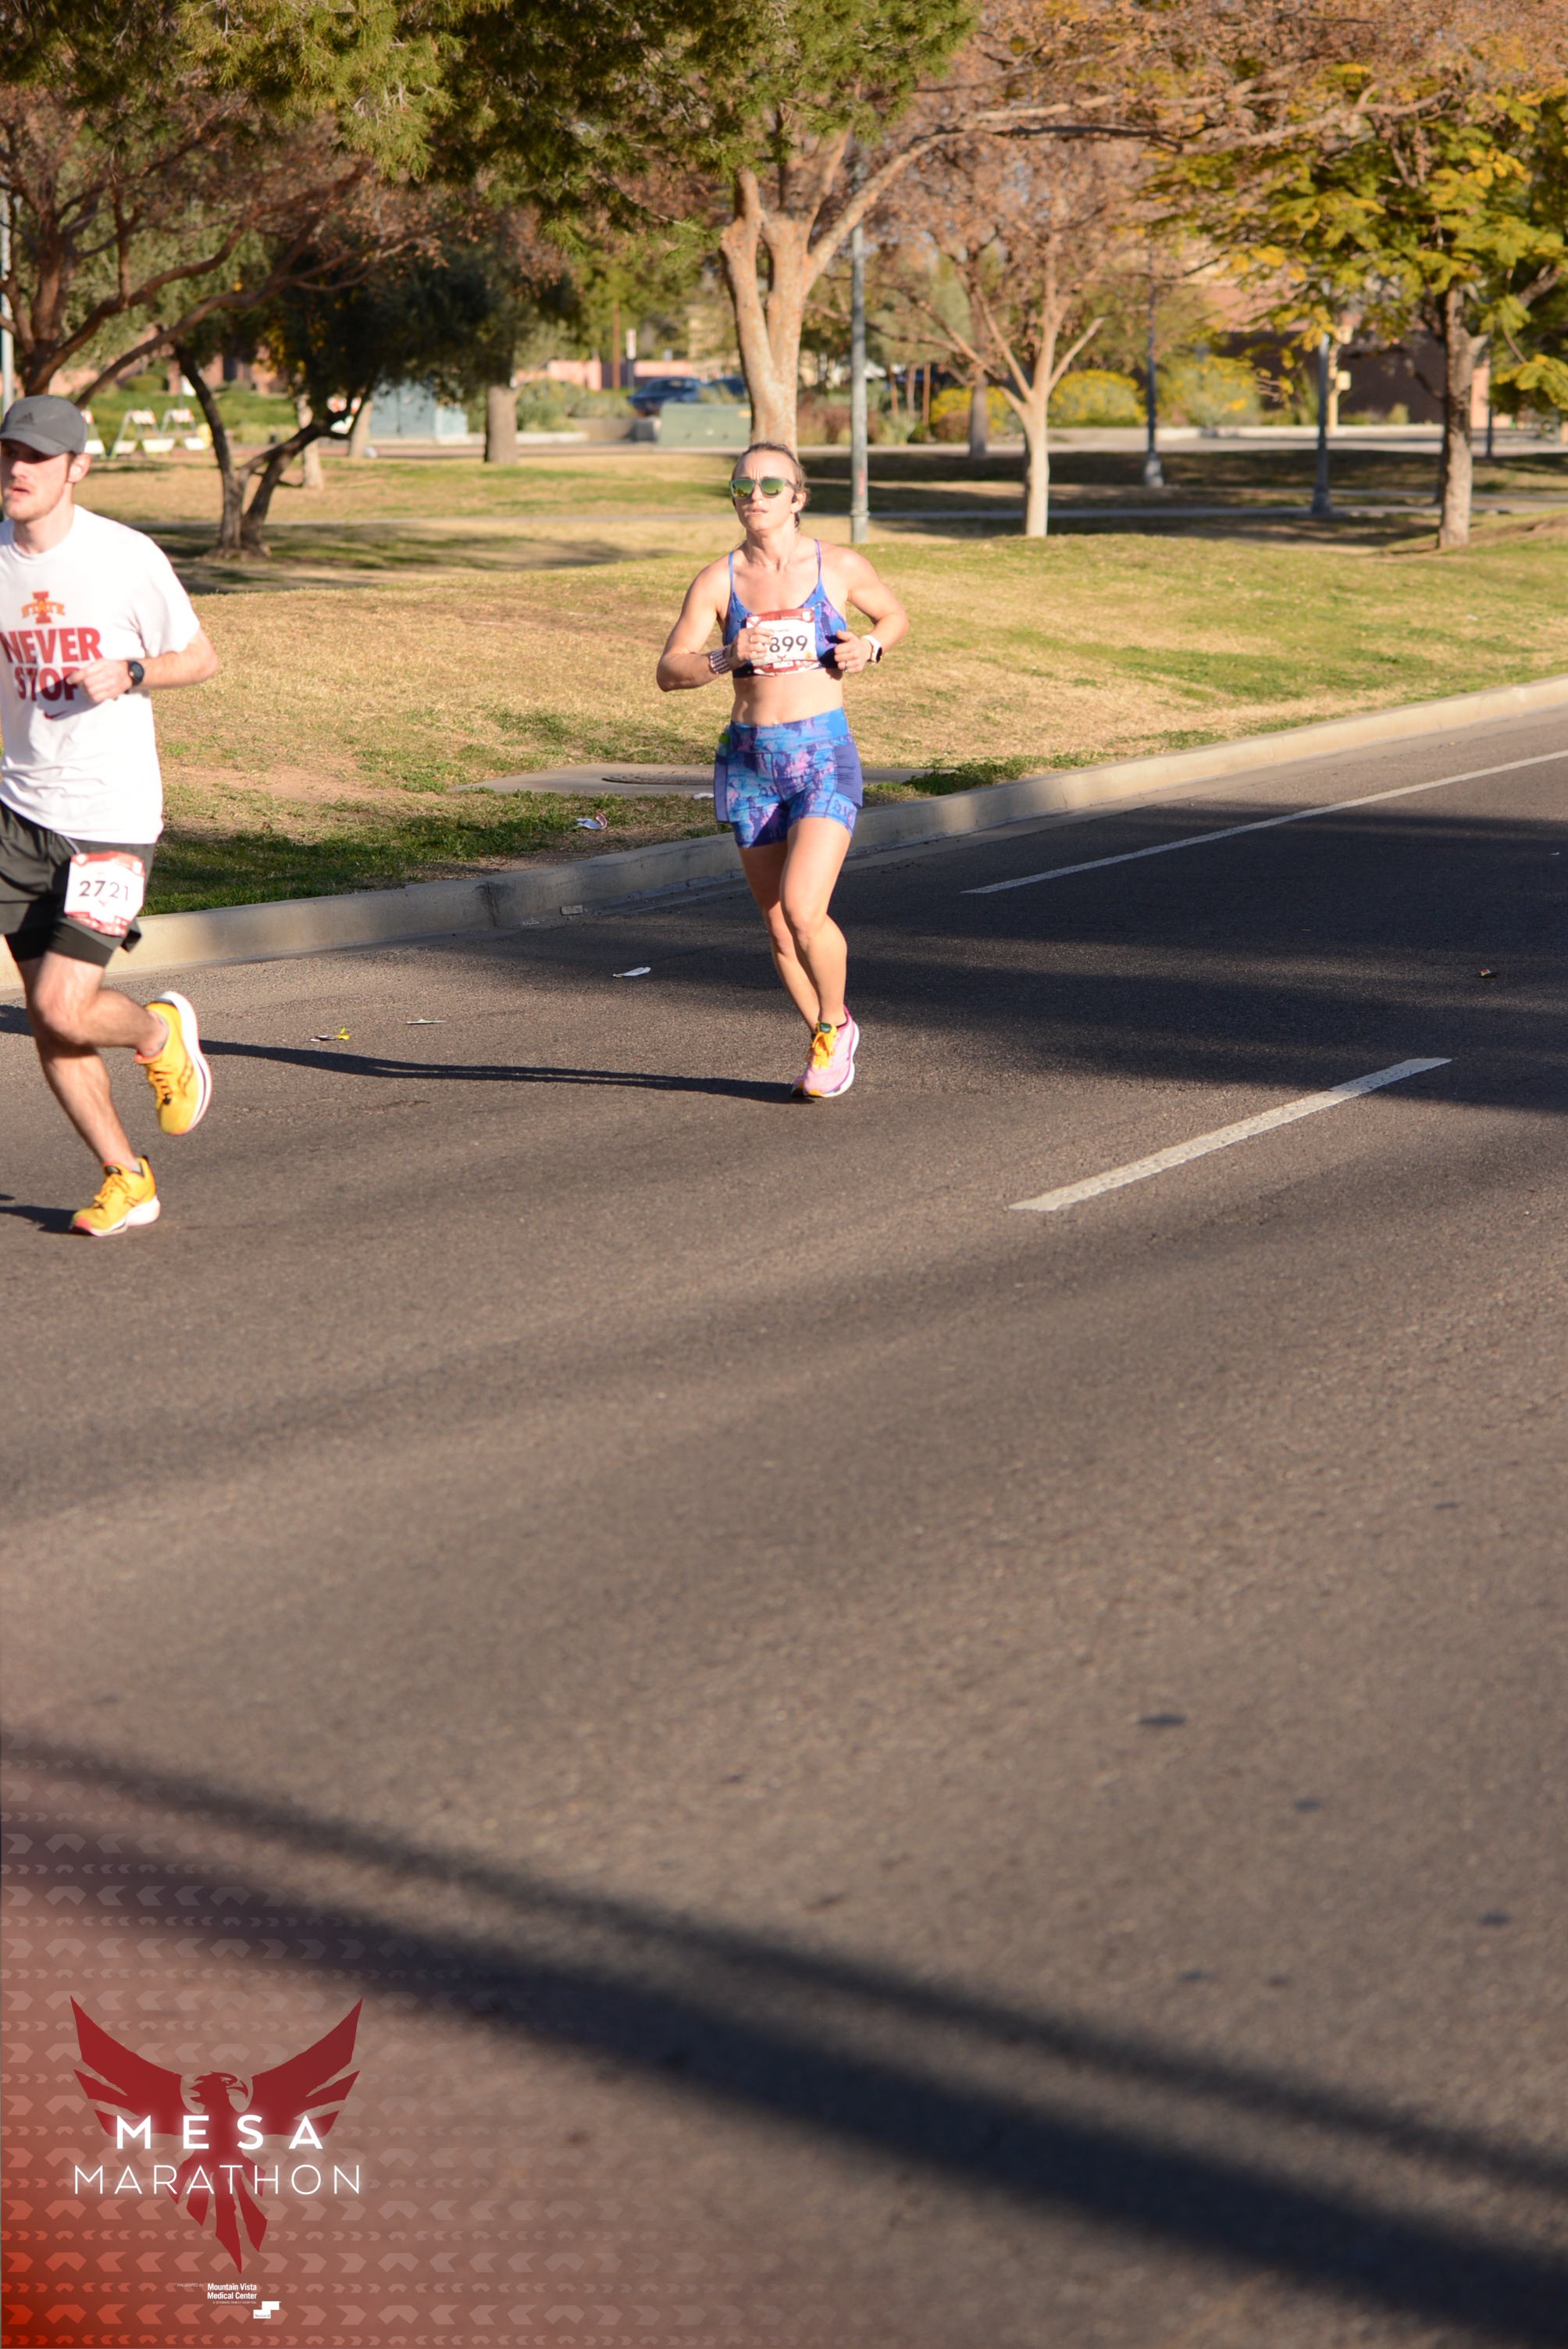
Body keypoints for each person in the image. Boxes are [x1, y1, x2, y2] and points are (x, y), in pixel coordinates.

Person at [0, 394, 219, 1235]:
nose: (18, 469)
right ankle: (126, 1176)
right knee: (45, 1013)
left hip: (110, 818)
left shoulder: (124, 557)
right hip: (18, 813)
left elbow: (200, 657)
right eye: (9, 452)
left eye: (38, 457)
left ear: (77, 468)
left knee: (65, 1005)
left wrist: (129, 672)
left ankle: (158, 1034)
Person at [656, 440, 907, 1098]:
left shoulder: (838, 565)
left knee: (802, 908)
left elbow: (894, 615)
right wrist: (725, 655)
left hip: (822, 757)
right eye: (742, 487)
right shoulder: (718, 581)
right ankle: (831, 1035)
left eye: (770, 486)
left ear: (798, 497)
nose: (755, 497)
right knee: (778, 926)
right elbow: (668, 670)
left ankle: (832, 1023)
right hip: (749, 763)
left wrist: (869, 646)